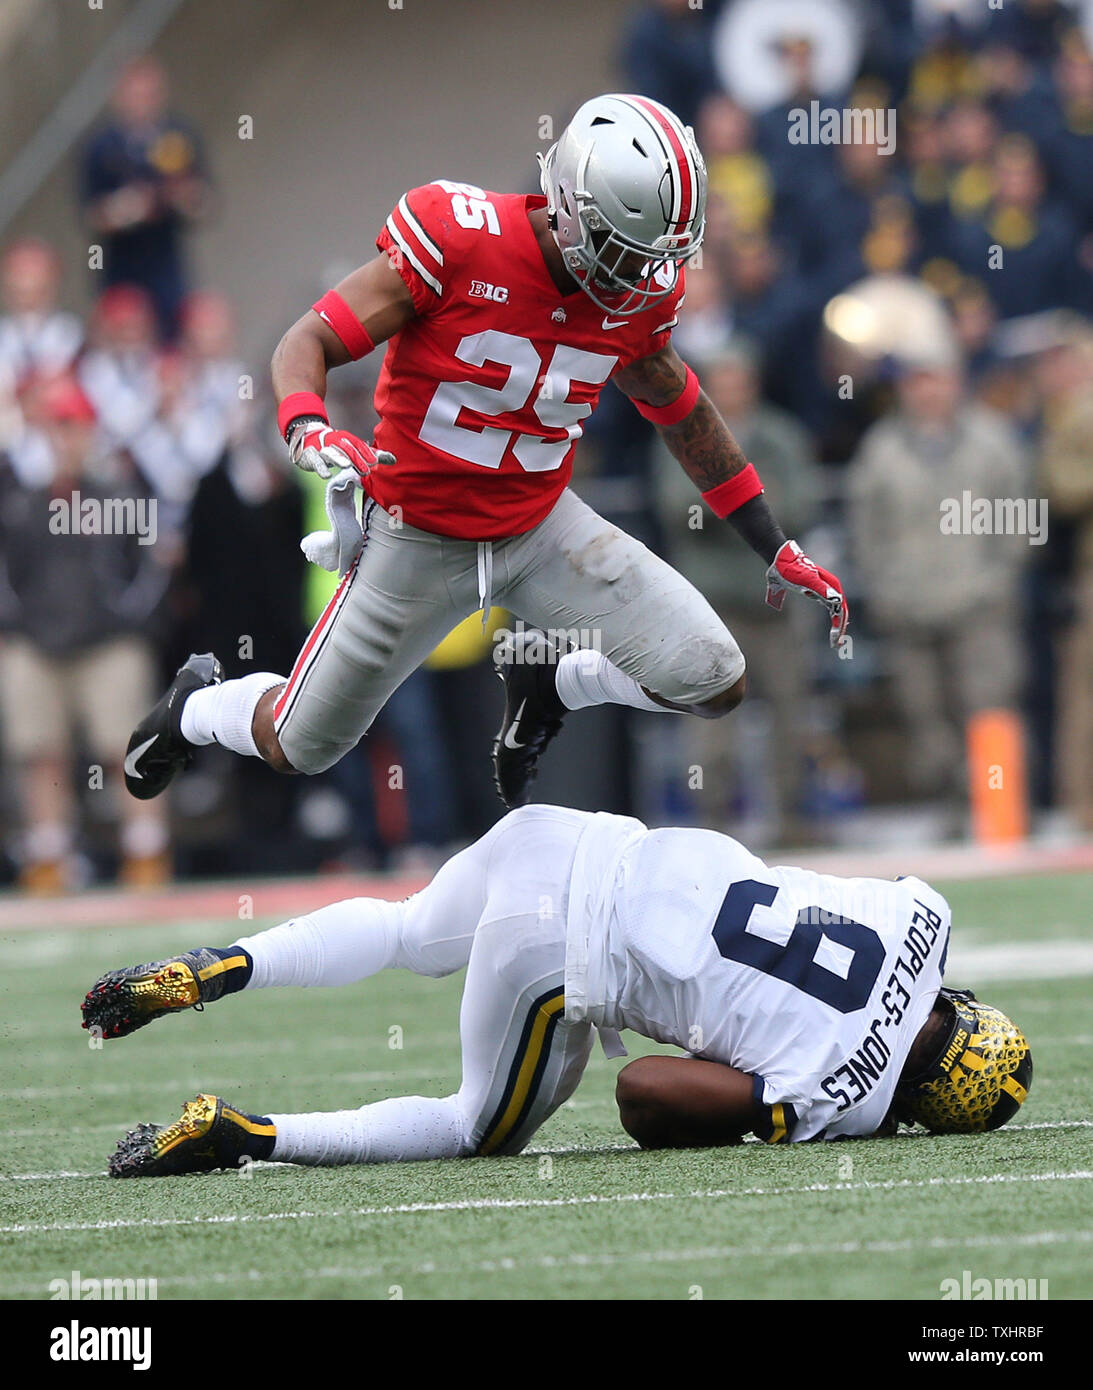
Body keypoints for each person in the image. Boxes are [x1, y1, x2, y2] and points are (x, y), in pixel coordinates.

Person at [120, 94, 848, 816]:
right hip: (416, 535)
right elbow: (307, 341)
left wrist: (769, 542)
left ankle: (551, 683)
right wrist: (307, 427)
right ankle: (198, 707)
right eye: (623, 250)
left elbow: (677, 405)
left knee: (713, 677)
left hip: (539, 526)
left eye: (653, 257)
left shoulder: (640, 294)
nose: (636, 276)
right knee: (299, 744)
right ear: (568, 201)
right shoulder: (457, 236)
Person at [81, 802, 1033, 1176]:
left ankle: (218, 969)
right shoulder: (850, 1097)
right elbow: (642, 1095)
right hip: (561, 949)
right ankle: (243, 1136)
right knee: (473, 1129)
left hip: (575, 835)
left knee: (412, 929)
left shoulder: (927, 914)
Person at [79, 56, 210, 341]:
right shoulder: (100, 148)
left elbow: (205, 204)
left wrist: (183, 197)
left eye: (150, 94)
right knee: (122, 336)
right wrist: (127, 208)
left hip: (166, 262)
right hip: (120, 265)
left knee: (172, 337)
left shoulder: (179, 137)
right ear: (119, 97)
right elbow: (90, 215)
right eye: (135, 95)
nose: (143, 103)